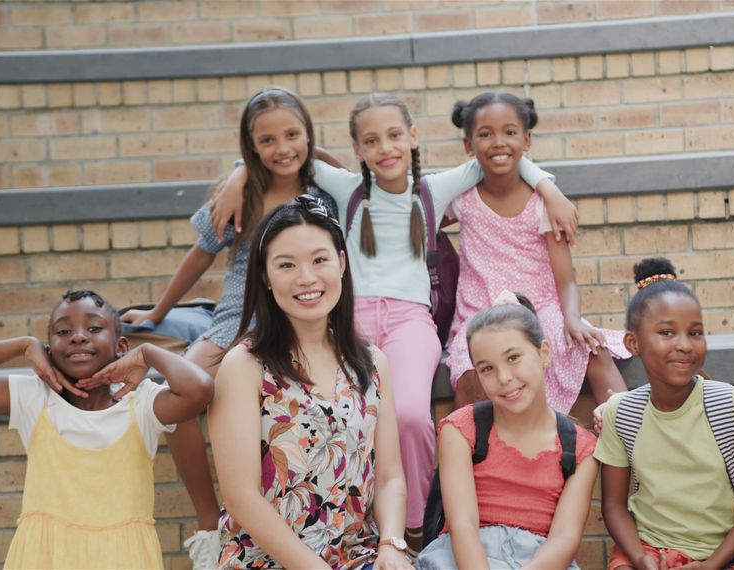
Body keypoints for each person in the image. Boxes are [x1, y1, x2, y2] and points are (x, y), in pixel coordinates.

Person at [212, 91, 578, 552]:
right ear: (358, 150)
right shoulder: (348, 189)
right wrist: (239, 174)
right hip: (351, 317)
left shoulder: (435, 188)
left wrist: (549, 188)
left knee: (408, 414)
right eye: (370, 140)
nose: (384, 148)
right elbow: (290, 157)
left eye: (393, 136)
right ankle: (347, 514)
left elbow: (498, 155)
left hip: (410, 321)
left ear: (412, 137)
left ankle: (414, 527)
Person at [119, 87, 337, 567]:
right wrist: (157, 312)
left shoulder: (325, 194)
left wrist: (254, 164)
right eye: (266, 141)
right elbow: (201, 254)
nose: (282, 148)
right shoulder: (243, 196)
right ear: (250, 147)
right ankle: (208, 520)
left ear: (309, 136)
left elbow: (341, 170)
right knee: (171, 402)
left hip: (297, 317)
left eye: (293, 135)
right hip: (236, 317)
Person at [0, 290, 214, 569]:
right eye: (63, 331)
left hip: (123, 558)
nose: (78, 338)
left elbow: (199, 389)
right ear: (48, 350)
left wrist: (148, 353)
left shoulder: (143, 402)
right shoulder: (35, 397)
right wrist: (21, 346)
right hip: (42, 557)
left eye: (94, 329)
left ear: (121, 347)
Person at [209, 195, 412, 569]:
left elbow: (389, 477)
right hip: (266, 561)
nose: (306, 278)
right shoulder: (245, 366)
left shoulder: (371, 363)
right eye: (286, 265)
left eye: (320, 260)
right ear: (266, 277)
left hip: (358, 556)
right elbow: (241, 498)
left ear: (342, 263)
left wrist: (391, 546)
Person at [445, 92, 629, 414]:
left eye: (510, 132)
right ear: (468, 145)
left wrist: (571, 318)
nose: (498, 142)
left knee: (592, 349)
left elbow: (566, 280)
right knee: (469, 370)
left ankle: (628, 433)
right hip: (480, 312)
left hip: (541, 308)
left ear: (526, 140)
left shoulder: (544, 204)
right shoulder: (463, 200)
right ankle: (478, 457)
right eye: (485, 134)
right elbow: (421, 215)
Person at [596, 258, 734, 570]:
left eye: (695, 333)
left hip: (725, 555)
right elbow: (613, 506)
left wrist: (710, 565)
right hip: (647, 550)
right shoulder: (621, 414)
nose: (684, 345)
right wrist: (639, 558)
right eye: (666, 332)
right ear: (633, 343)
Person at [416, 291, 598, 569]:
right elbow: (463, 525)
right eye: (487, 369)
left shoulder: (580, 449)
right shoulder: (462, 430)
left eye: (513, 358)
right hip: (465, 559)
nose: (504, 378)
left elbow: (564, 538)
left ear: (544, 353)